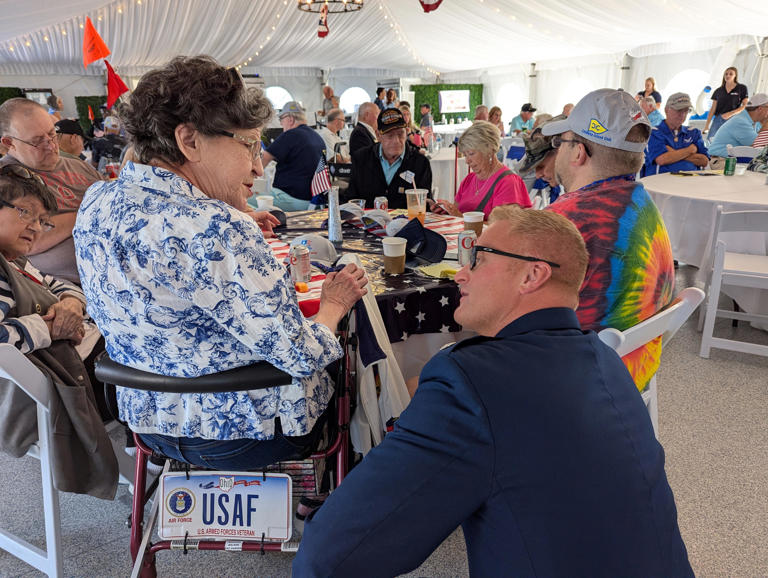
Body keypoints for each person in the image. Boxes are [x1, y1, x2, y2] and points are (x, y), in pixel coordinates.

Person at [293, 206, 693, 578]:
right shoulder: (608, 362)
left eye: (479, 259)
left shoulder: (470, 382)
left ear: (532, 276)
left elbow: (331, 552)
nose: (461, 275)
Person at [73, 55, 368, 473]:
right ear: (189, 140)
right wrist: (334, 305)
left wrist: (235, 219)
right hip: (246, 434)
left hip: (146, 421)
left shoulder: (99, 201)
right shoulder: (218, 228)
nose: (257, 165)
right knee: (348, 361)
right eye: (248, 143)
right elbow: (301, 354)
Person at [541, 88, 675, 393]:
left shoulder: (563, 221)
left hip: (575, 385)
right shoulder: (643, 205)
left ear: (579, 152)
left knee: (429, 374)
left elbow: (507, 312)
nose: (556, 151)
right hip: (632, 370)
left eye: (559, 142)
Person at [0, 164, 116, 498]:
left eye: (41, 220)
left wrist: (71, 305)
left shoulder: (18, 263)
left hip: (83, 367)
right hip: (65, 392)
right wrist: (48, 327)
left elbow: (62, 285)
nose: (36, 227)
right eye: (26, 213)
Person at [0, 98, 102, 283]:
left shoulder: (80, 166)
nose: (52, 145)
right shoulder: (6, 179)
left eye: (52, 134)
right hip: (64, 290)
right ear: (9, 143)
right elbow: (27, 239)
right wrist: (90, 211)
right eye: (37, 141)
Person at [432, 121, 530, 219]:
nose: (467, 161)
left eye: (471, 154)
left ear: (488, 150)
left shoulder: (508, 182)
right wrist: (446, 212)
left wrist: (461, 217)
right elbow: (457, 212)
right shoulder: (469, 179)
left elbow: (503, 227)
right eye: (465, 155)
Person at [345, 107, 432, 209]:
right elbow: (351, 199)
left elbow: (425, 204)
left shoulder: (420, 163)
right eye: (389, 135)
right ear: (378, 135)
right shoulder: (361, 159)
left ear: (406, 132)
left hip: (407, 223)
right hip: (368, 223)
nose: (396, 140)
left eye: (400, 134)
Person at [261, 101, 327, 211]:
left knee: (247, 201)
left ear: (290, 119)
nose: (281, 124)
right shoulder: (318, 137)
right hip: (314, 201)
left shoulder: (291, 134)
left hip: (291, 199)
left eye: (281, 119)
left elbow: (263, 159)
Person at [645, 92, 709, 175]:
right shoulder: (654, 132)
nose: (682, 115)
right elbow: (662, 160)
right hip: (662, 184)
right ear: (666, 110)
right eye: (679, 110)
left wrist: (673, 153)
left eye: (686, 111)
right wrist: (690, 150)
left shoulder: (694, 132)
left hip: (691, 183)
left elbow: (704, 161)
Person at [708, 93, 768, 163]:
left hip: (733, 160)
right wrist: (766, 124)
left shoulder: (755, 122)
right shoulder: (740, 121)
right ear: (760, 109)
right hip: (720, 161)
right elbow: (759, 146)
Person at [703, 66, 749, 139]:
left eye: (731, 74)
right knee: (710, 140)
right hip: (719, 119)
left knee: (730, 142)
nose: (728, 75)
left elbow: (745, 105)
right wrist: (707, 125)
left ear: (735, 76)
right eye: (726, 74)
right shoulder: (718, 91)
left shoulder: (742, 88)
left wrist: (730, 113)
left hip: (733, 119)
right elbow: (712, 109)